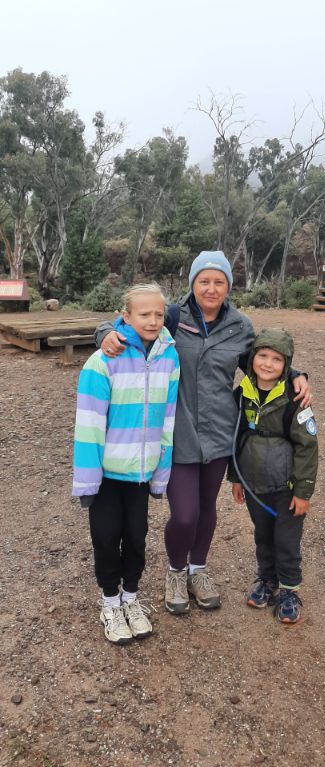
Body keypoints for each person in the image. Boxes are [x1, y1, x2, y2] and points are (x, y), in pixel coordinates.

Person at [95, 251, 311, 616]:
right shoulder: (172, 318)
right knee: (184, 514)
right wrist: (105, 334)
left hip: (219, 433)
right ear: (193, 283)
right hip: (176, 431)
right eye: (204, 281)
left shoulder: (240, 326)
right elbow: (122, 323)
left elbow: (264, 360)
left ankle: (198, 570)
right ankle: (176, 572)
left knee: (207, 508)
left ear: (229, 286)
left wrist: (296, 374)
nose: (211, 288)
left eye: (219, 282)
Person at [72, 283, 180, 644]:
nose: (152, 321)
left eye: (159, 314)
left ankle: (131, 599)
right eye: (144, 314)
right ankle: (109, 602)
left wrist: (160, 474)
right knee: (106, 539)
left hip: (141, 473)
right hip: (106, 476)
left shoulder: (170, 356)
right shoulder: (102, 360)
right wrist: (87, 482)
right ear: (126, 316)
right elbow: (88, 426)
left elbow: (169, 418)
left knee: (136, 537)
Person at [228, 328, 318, 624]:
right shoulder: (243, 394)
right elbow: (236, 438)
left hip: (287, 488)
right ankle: (267, 581)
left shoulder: (295, 398)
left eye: (276, 360)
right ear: (252, 358)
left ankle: (289, 590)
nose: (267, 364)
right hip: (255, 485)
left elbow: (307, 446)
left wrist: (303, 492)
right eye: (262, 356)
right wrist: (236, 477)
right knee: (263, 535)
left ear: (287, 365)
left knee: (286, 541)